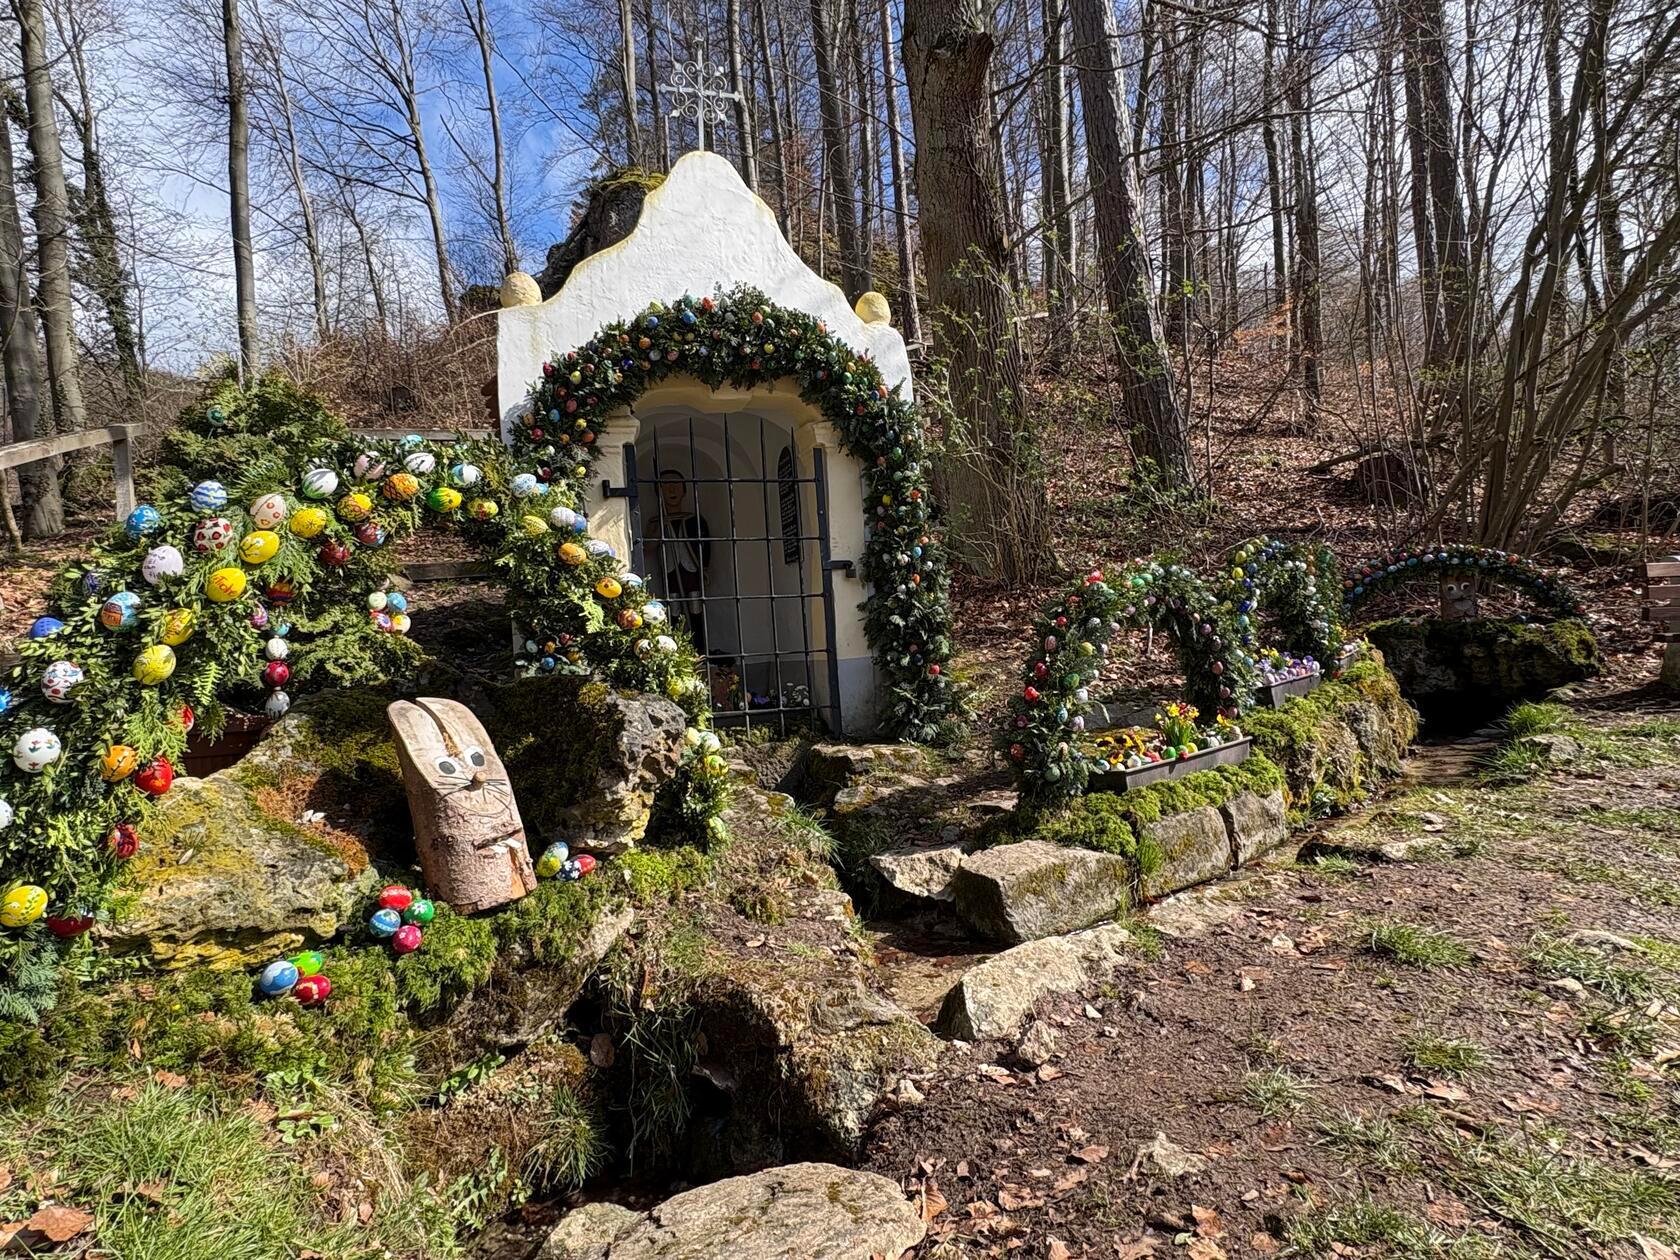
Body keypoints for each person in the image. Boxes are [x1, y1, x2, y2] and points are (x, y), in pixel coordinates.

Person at [646, 469, 713, 654]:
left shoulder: (695, 519)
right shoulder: (656, 521)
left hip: (691, 571)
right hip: (670, 572)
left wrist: (704, 569)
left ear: (684, 490)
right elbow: (648, 548)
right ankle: (677, 651)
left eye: (676, 485)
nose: (671, 490)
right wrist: (659, 529)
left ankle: (700, 650)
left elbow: (705, 546)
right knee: (673, 611)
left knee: (696, 610)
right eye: (665, 486)